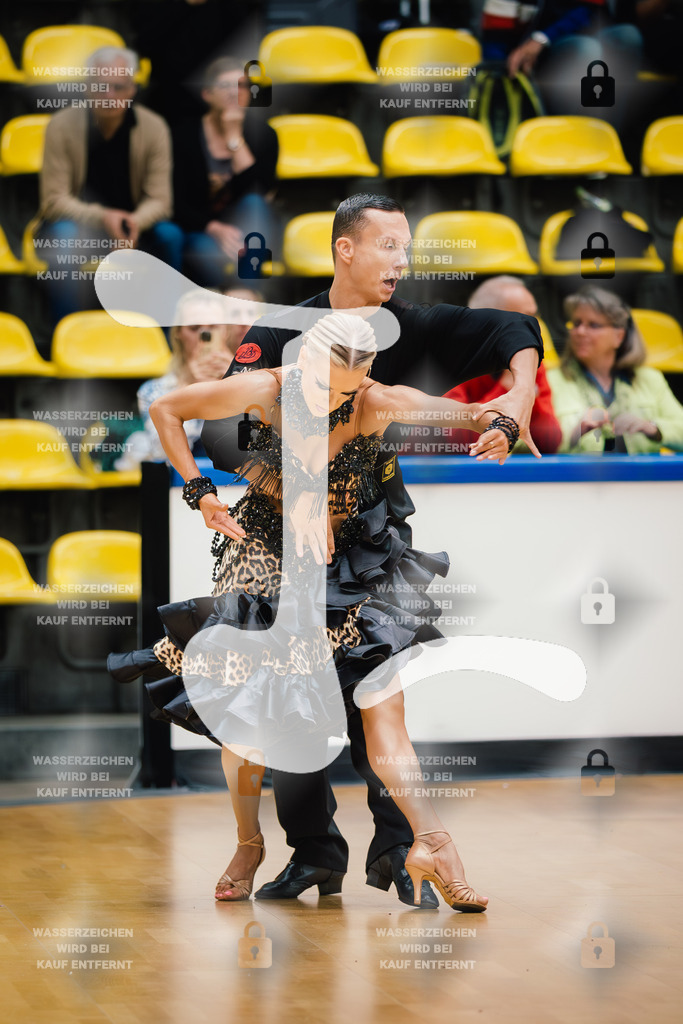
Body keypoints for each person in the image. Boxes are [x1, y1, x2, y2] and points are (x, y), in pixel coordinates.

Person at [196, 193, 544, 907]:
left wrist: (518, 395)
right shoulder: (282, 330)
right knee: (290, 706)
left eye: (406, 248)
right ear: (345, 249)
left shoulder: (409, 325)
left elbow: (513, 326)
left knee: (378, 694)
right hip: (287, 544)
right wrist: (293, 491)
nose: (401, 261)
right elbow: (218, 432)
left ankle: (400, 849)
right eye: (388, 245)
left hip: (371, 539)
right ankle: (313, 854)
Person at [111, 311, 517, 909]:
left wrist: (498, 423)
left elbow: (463, 411)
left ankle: (433, 842)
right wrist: (200, 493)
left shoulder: (375, 401)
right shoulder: (265, 386)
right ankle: (249, 844)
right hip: (267, 562)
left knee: (383, 704)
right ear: (303, 362)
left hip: (350, 565)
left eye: (347, 389)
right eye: (323, 385)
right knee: (247, 717)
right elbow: (167, 410)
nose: (332, 400)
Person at [37, 46, 177, 321]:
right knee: (63, 238)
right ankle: (65, 331)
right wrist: (104, 218)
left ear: (132, 89)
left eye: (118, 87)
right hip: (79, 226)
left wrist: (133, 223)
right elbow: (54, 201)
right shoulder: (61, 125)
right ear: (87, 88)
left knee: (171, 236)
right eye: (101, 86)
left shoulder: (154, 127)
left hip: (134, 228)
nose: (109, 95)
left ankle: (166, 333)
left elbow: (161, 201)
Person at [113, 288, 258, 471]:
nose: (204, 336)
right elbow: (165, 455)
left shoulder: (251, 380)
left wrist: (234, 383)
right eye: (194, 328)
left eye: (214, 327)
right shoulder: (155, 391)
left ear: (226, 331)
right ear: (178, 333)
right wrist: (193, 395)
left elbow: (260, 446)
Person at [168, 57, 279, 287]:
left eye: (241, 86)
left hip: (247, 227)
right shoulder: (182, 136)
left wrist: (234, 137)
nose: (233, 92)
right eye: (225, 86)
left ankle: (247, 297)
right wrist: (214, 228)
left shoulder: (265, 134)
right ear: (207, 94)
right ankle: (225, 302)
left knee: (255, 204)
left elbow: (260, 192)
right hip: (201, 228)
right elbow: (175, 201)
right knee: (205, 253)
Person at [547, 286, 683, 453]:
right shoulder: (552, 380)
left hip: (641, 471)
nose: (580, 332)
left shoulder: (650, 379)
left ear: (619, 336)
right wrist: (576, 432)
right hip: (577, 471)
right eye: (576, 323)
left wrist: (652, 428)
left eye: (593, 325)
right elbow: (533, 444)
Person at [439, 277, 562, 456]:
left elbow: (551, 442)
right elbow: (458, 441)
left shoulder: (532, 363)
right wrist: (506, 388)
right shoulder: (449, 360)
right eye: (524, 320)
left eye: (535, 318)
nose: (536, 329)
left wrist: (528, 400)